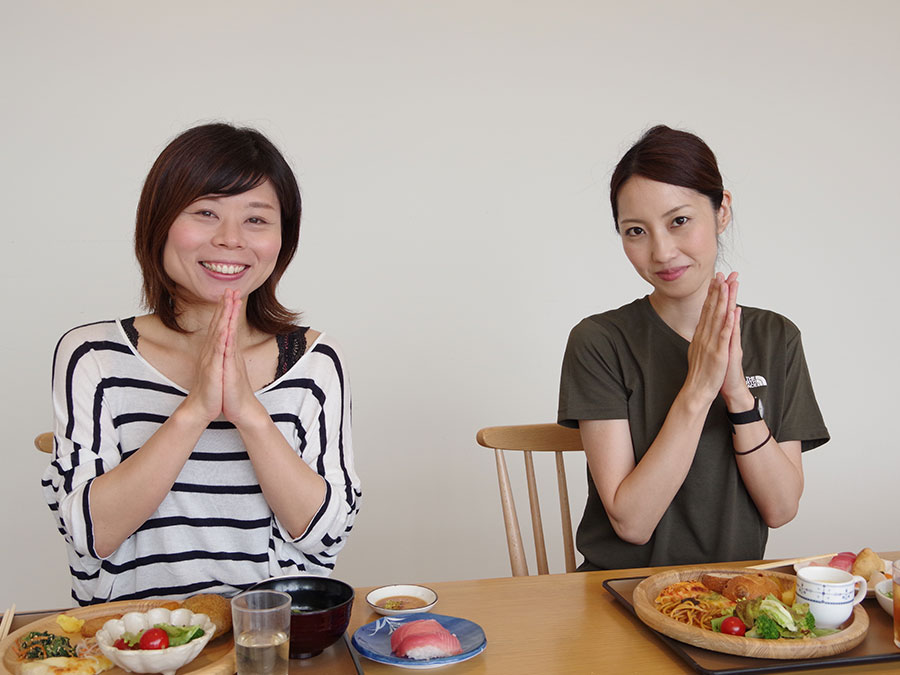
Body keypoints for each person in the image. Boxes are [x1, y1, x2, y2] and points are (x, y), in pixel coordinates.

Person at [43, 123, 361, 604]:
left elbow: (324, 536)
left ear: (282, 238)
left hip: (270, 645)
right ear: (160, 223)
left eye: (256, 219)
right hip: (134, 644)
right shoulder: (92, 355)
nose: (231, 239)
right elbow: (91, 536)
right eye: (206, 212)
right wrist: (194, 410)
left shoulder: (315, 362)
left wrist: (248, 412)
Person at [557, 125, 828, 571]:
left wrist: (738, 394)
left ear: (721, 211)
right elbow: (631, 522)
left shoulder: (775, 337)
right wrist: (698, 389)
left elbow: (781, 509)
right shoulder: (599, 341)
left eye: (679, 221)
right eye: (635, 231)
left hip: (730, 599)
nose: (661, 252)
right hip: (619, 593)